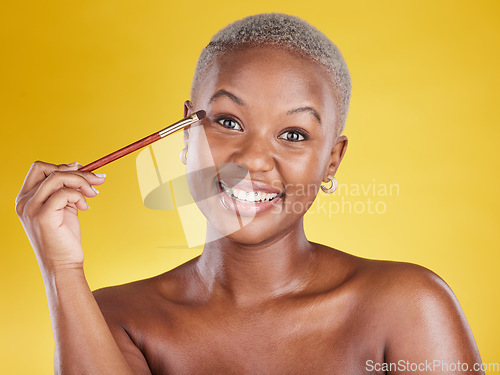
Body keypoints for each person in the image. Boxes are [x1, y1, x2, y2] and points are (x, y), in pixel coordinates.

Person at [16, 13, 482, 375]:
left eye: (294, 134)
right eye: (228, 122)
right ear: (185, 132)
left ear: (332, 161)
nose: (254, 160)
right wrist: (61, 269)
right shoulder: (116, 319)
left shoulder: (408, 306)